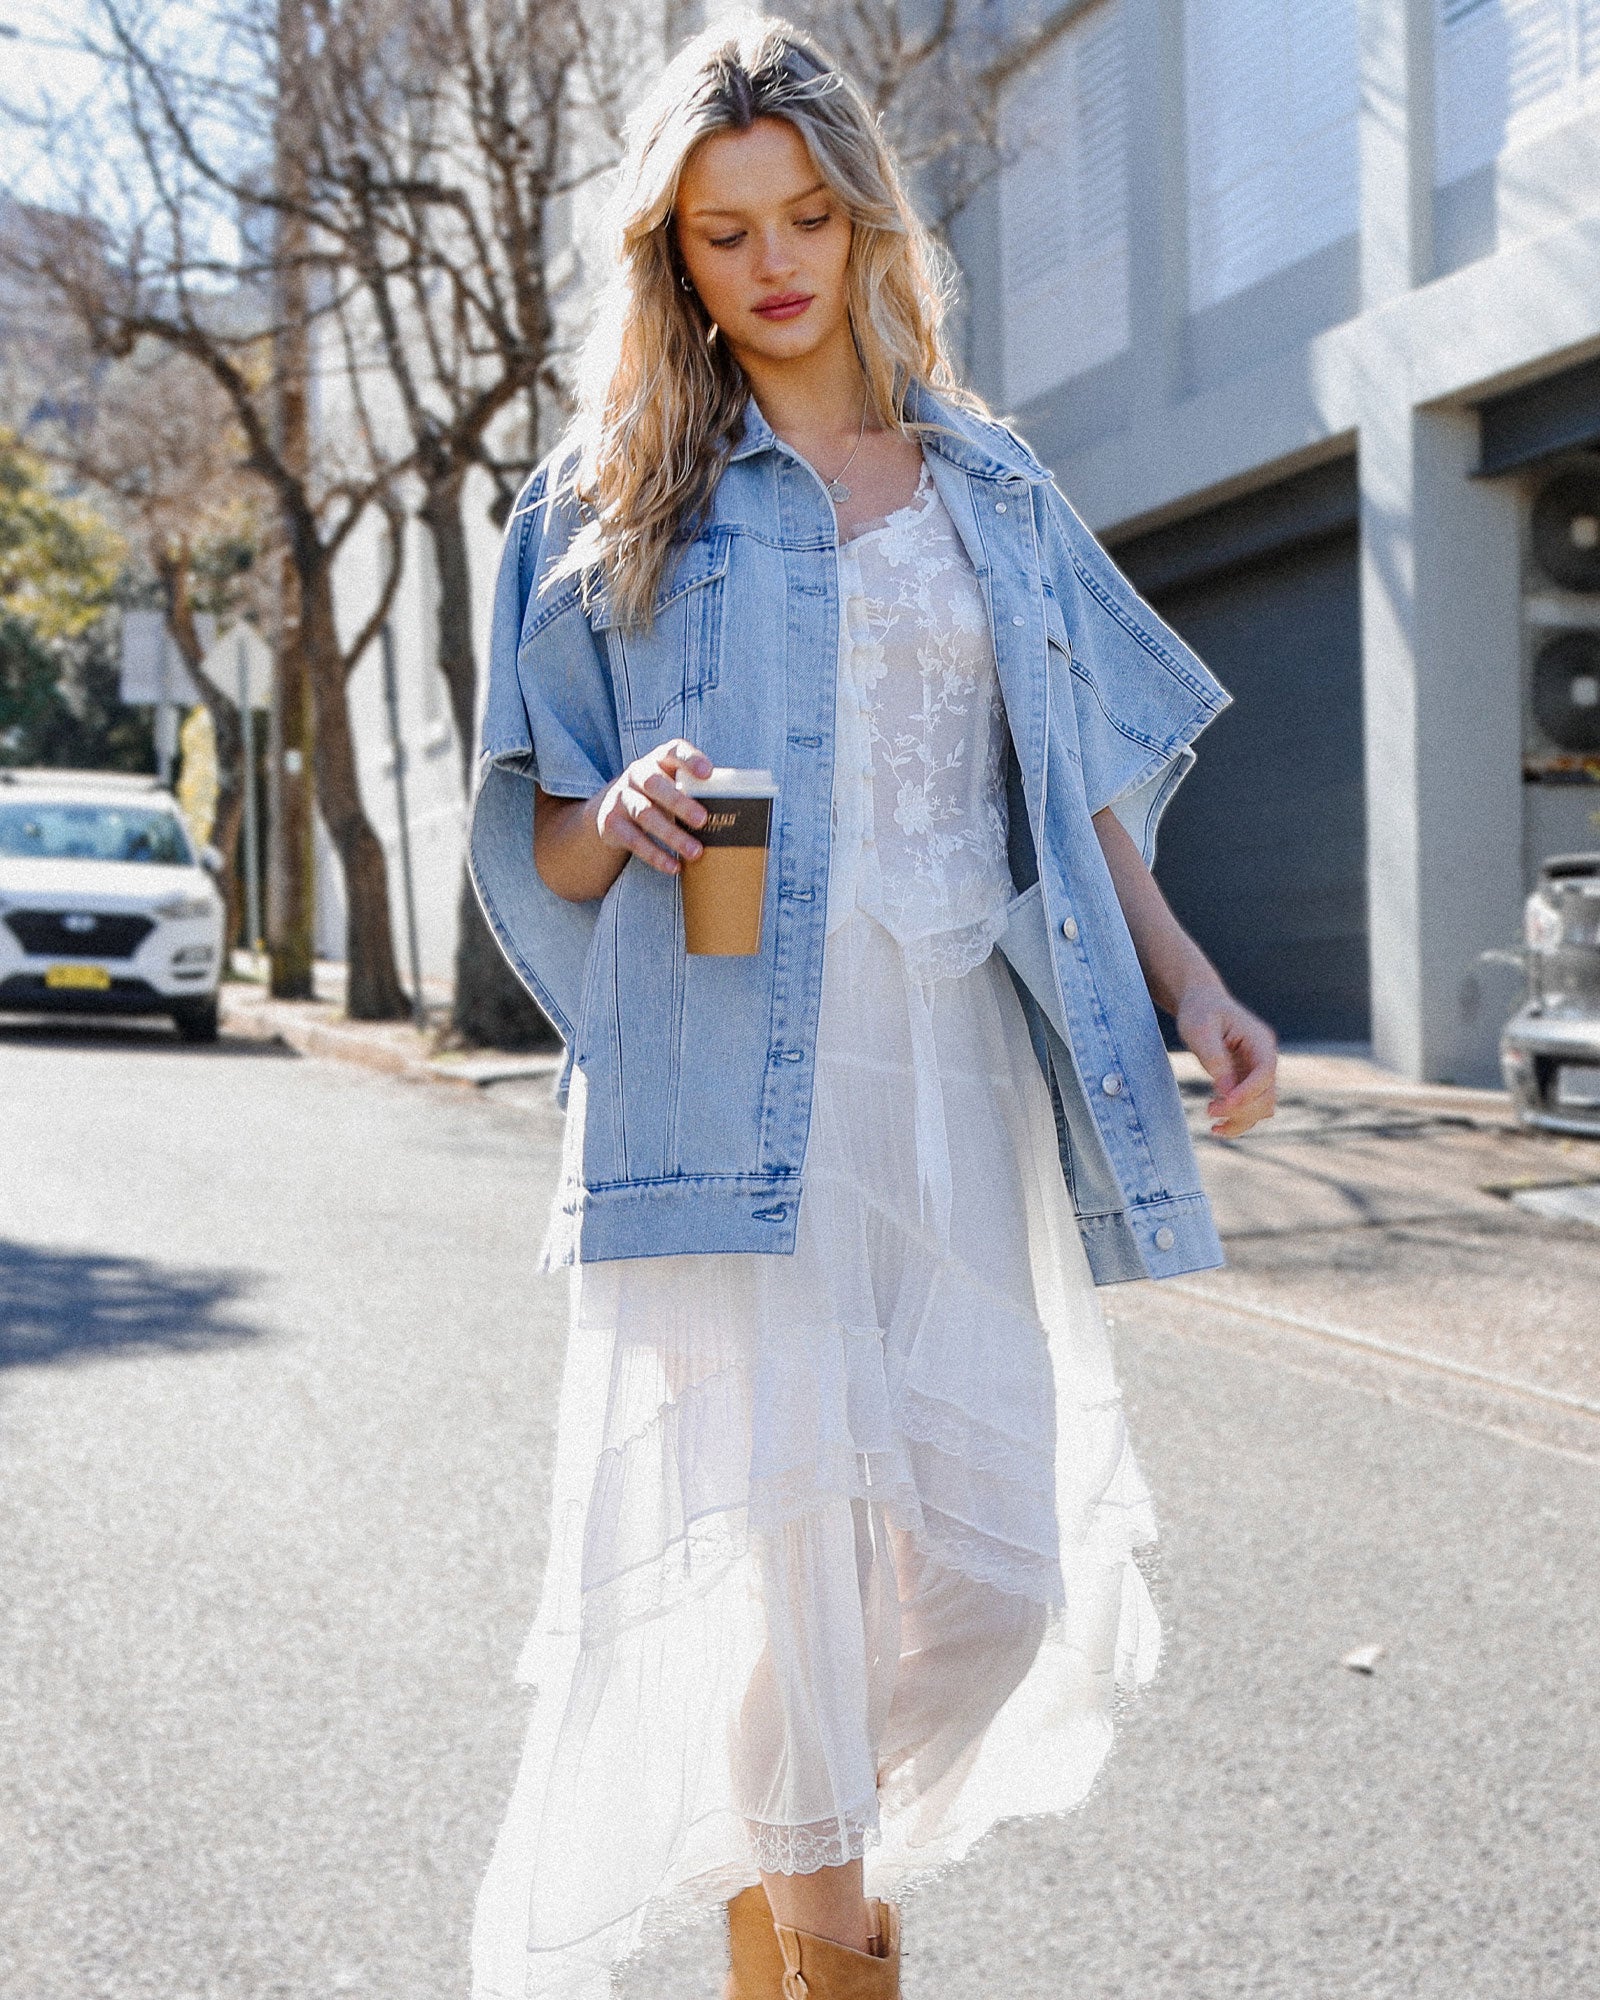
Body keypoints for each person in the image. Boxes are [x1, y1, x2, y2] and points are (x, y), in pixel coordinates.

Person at [467, 17, 1277, 2000]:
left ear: (861, 221)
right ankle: (824, 1953)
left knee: (992, 1583)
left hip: (952, 1069)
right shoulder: (605, 504)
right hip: (730, 1079)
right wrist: (616, 809)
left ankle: (779, 1896)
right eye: (722, 231)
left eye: (805, 215)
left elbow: (1075, 771)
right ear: (673, 255)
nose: (770, 263)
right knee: (806, 1578)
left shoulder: (986, 481)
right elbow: (531, 826)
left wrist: (1190, 981)